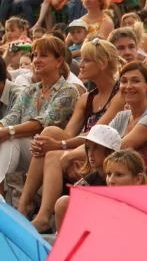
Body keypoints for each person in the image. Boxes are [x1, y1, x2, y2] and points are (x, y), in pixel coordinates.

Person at [18, 38, 119, 232]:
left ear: (102, 63)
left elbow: (99, 135)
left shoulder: (119, 94)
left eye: (86, 60)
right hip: (85, 149)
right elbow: (69, 133)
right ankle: (24, 205)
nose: (80, 64)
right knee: (49, 132)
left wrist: (60, 146)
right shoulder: (86, 98)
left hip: (106, 150)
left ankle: (43, 216)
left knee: (54, 152)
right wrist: (56, 141)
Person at [0, 36, 79, 197]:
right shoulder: (30, 90)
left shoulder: (68, 91)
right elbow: (11, 118)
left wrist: (7, 131)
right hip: (27, 151)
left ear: (59, 61)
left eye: (43, 55)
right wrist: (3, 128)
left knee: (10, 140)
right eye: (34, 55)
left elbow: (43, 123)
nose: (36, 60)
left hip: (49, 152)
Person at [106, 62, 147, 182]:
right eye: (124, 81)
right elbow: (99, 138)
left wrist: (72, 154)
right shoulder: (122, 116)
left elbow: (119, 148)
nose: (128, 86)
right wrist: (66, 149)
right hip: (117, 174)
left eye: (135, 81)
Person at [52, 124, 122, 231]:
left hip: (117, 226)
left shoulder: (123, 175)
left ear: (110, 151)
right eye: (88, 148)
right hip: (95, 226)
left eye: (96, 148)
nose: (90, 154)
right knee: (63, 202)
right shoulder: (92, 177)